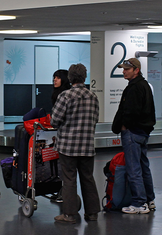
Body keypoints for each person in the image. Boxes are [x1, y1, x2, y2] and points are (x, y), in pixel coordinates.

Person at [51, 63, 101, 223]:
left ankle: (69, 214)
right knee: (88, 178)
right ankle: (92, 213)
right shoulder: (93, 96)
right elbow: (96, 119)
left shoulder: (65, 96)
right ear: (84, 77)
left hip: (68, 146)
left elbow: (55, 121)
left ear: (70, 78)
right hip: (87, 146)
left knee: (69, 179)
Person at [111, 58, 156, 214]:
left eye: (127, 69)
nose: (124, 71)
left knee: (133, 168)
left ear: (136, 70)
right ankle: (149, 200)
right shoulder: (145, 86)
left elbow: (131, 111)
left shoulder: (134, 88)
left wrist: (124, 125)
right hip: (143, 132)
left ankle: (138, 203)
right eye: (123, 69)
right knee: (144, 167)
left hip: (133, 133)